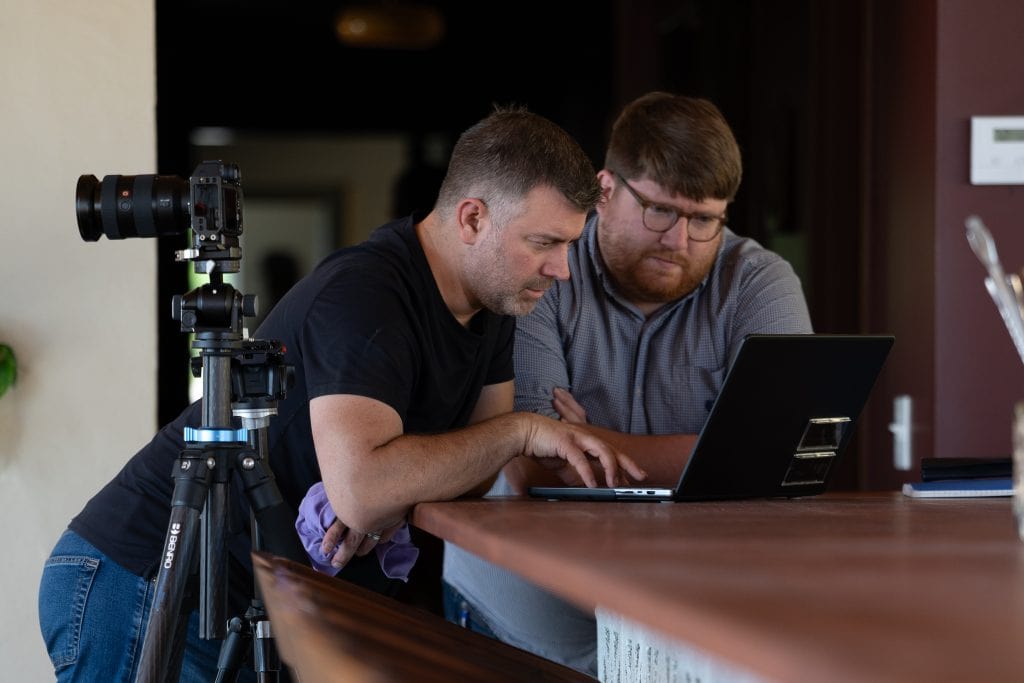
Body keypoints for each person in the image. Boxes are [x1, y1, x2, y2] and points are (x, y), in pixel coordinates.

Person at [37, 106, 645, 682]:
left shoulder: (495, 306)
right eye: (544, 243)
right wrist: (520, 432)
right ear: (473, 219)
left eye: (569, 244)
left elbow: (471, 475)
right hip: (145, 579)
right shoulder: (367, 295)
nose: (563, 269)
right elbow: (367, 491)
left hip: (252, 604)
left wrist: (397, 486)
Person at [441, 91, 814, 675]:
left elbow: (783, 457)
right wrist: (715, 450)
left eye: (704, 220)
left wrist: (589, 440)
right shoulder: (543, 266)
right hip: (520, 618)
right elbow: (527, 463)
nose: (680, 241)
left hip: (690, 619)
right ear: (606, 190)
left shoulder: (759, 283)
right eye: (660, 211)